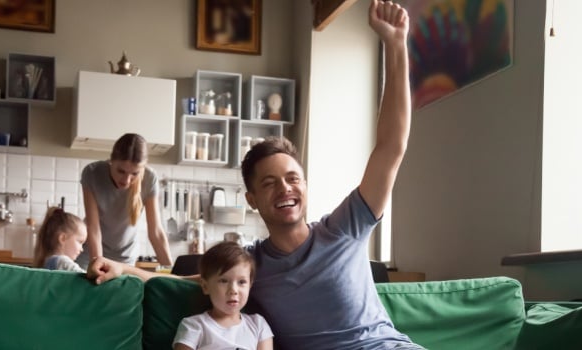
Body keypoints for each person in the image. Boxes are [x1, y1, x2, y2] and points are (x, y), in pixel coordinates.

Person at [87, 1, 420, 348]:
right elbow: (187, 283)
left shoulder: (345, 226)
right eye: (269, 182)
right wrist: (124, 269)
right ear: (252, 199)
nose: (285, 189)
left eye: (293, 178)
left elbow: (391, 147)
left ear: (305, 185)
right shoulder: (252, 265)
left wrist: (395, 45)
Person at [79, 133, 173, 268]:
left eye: (134, 174)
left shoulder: (149, 178)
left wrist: (172, 274)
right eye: (121, 171)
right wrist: (97, 265)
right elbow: (93, 228)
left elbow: (156, 232)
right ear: (111, 161)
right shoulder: (92, 173)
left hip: (125, 260)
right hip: (90, 255)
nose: (126, 180)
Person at [173, 241, 274, 350]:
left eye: (241, 282)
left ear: (250, 285)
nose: (233, 290)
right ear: (205, 287)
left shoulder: (258, 325)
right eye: (223, 281)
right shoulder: (194, 325)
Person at [33, 207, 88, 273]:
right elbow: (84, 278)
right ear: (63, 238)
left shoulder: (47, 261)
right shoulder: (63, 262)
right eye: (80, 242)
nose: (82, 249)